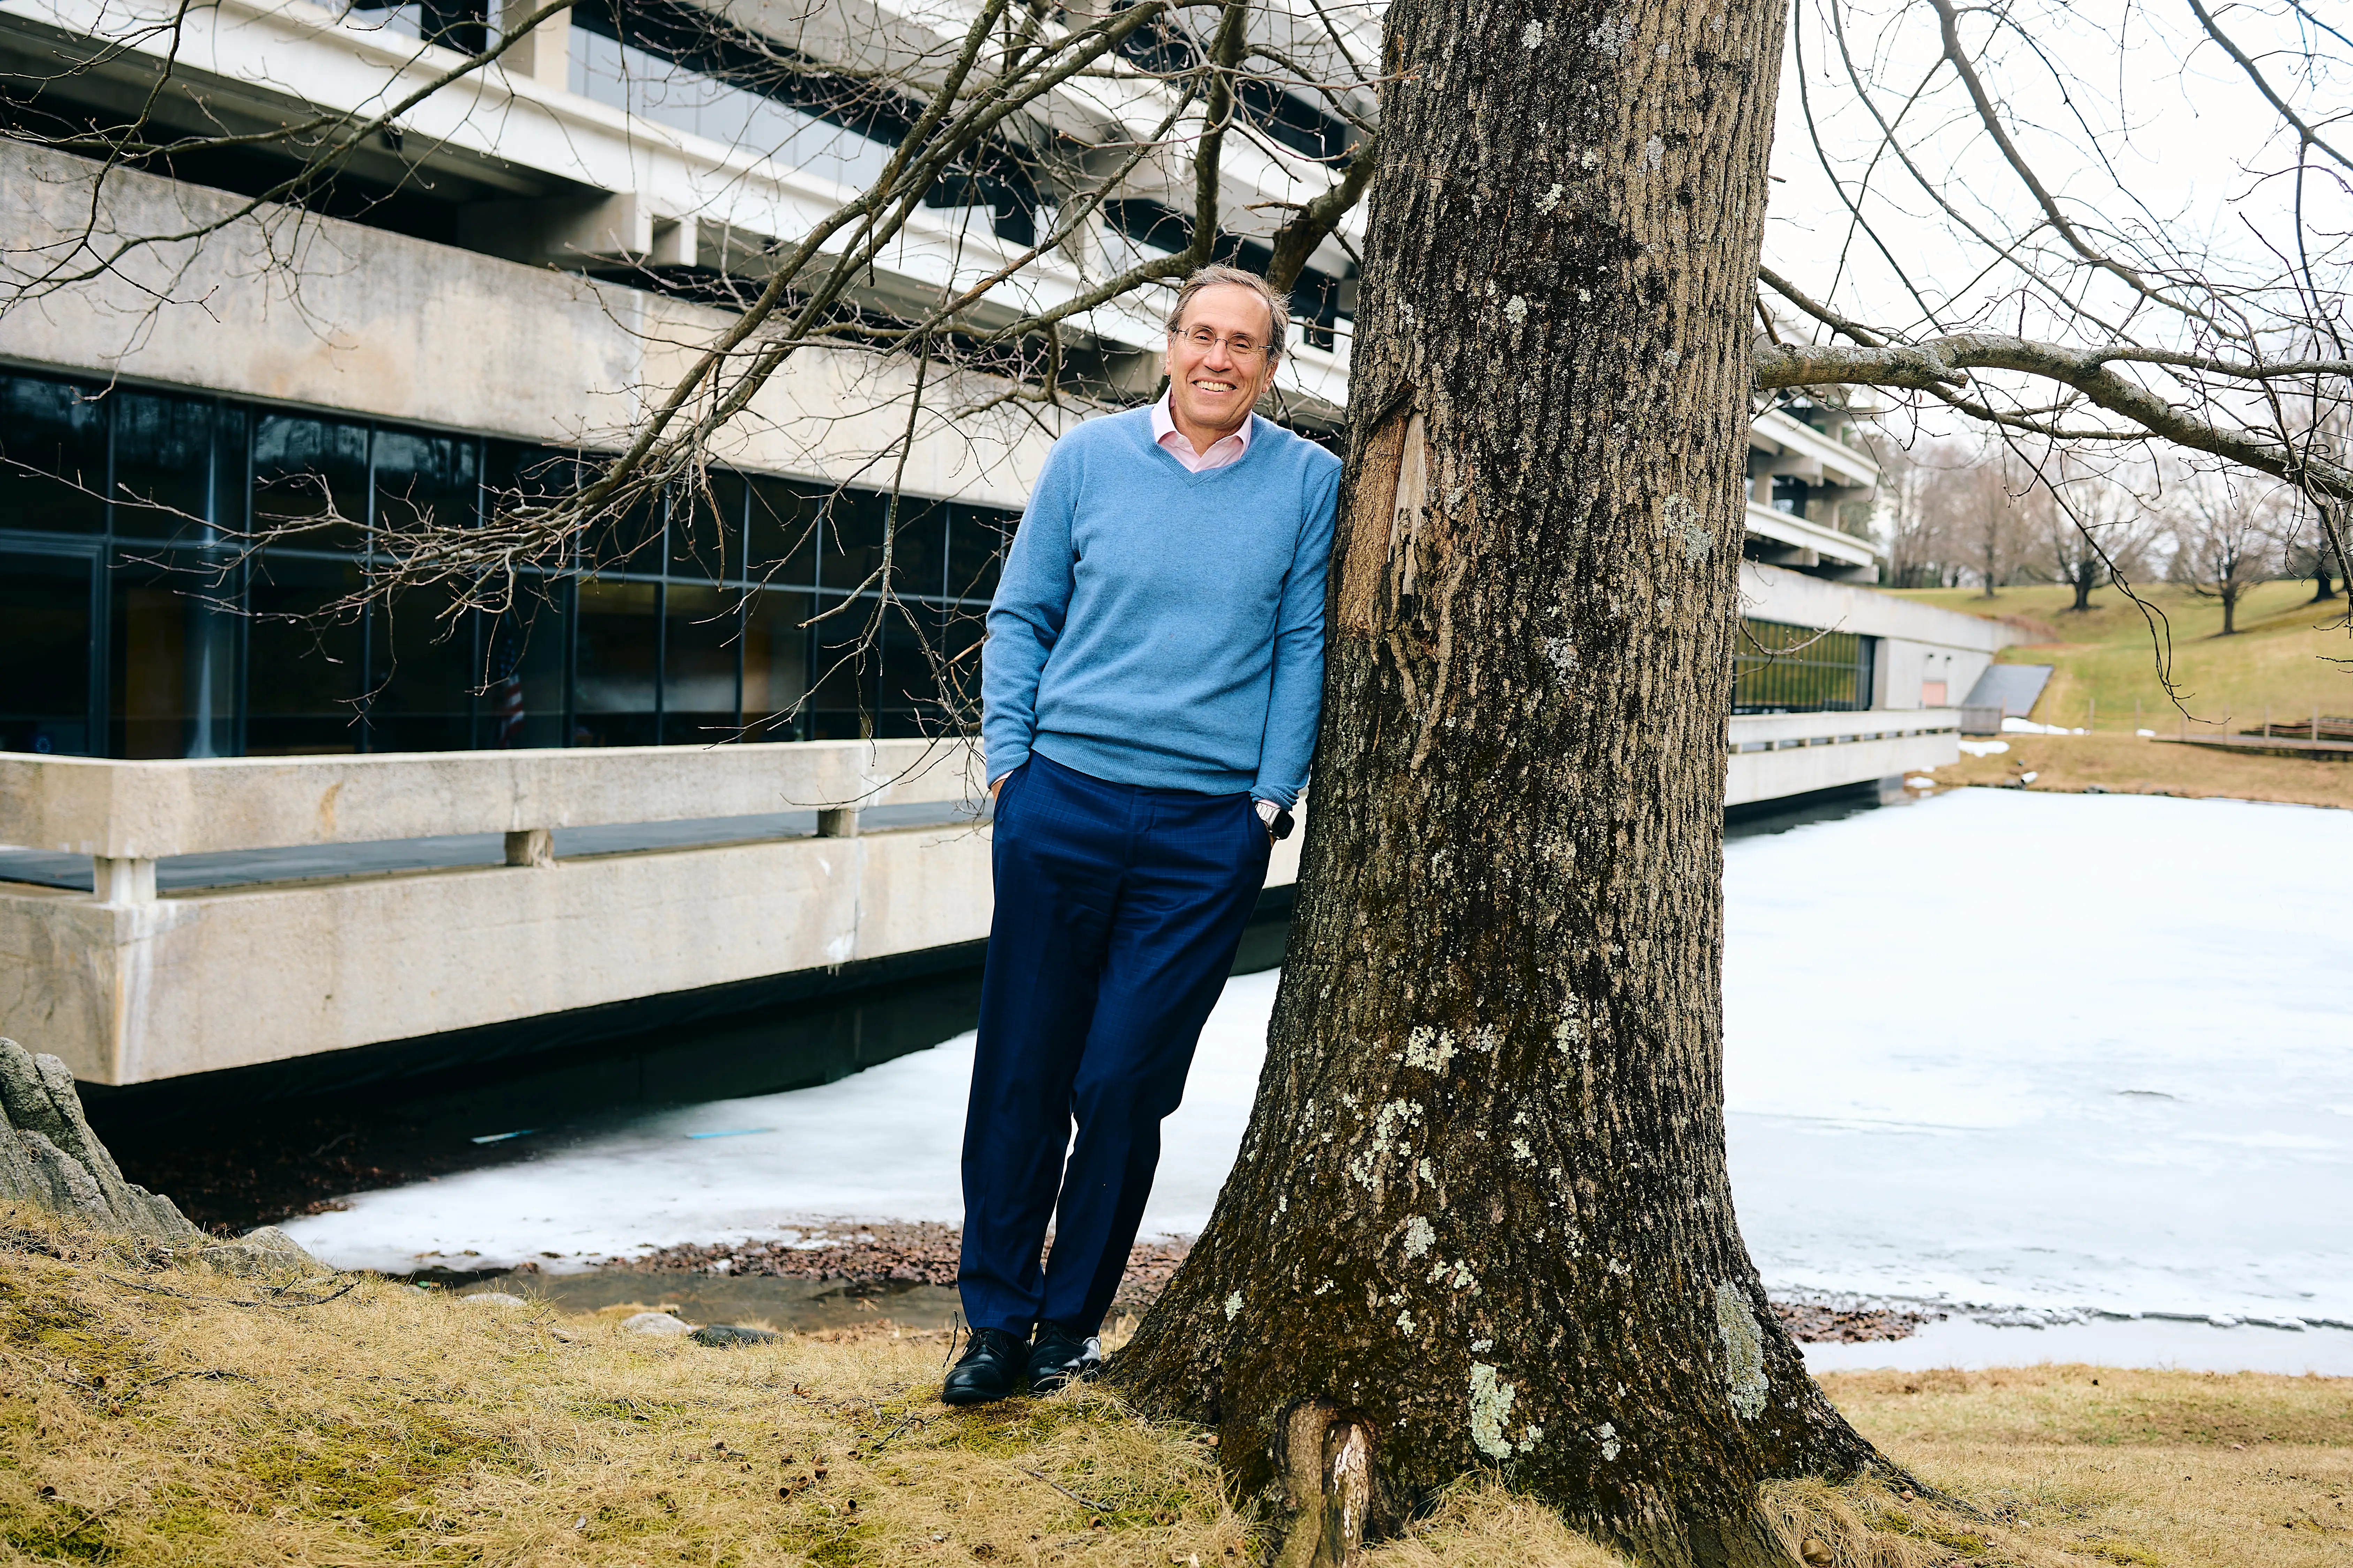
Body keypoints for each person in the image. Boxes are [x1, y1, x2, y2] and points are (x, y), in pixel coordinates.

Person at [944, 264, 1342, 1404]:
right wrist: (1011, 770)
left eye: (1242, 344)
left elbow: (1302, 642)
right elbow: (1020, 615)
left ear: (1270, 366)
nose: (1218, 359)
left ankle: (1068, 1326)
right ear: (1170, 345)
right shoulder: (1087, 459)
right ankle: (994, 1322)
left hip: (1204, 835)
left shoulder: (1307, 481)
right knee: (1021, 1071)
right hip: (1060, 803)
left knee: (1123, 1082)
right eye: (1200, 335)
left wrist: (1267, 801)